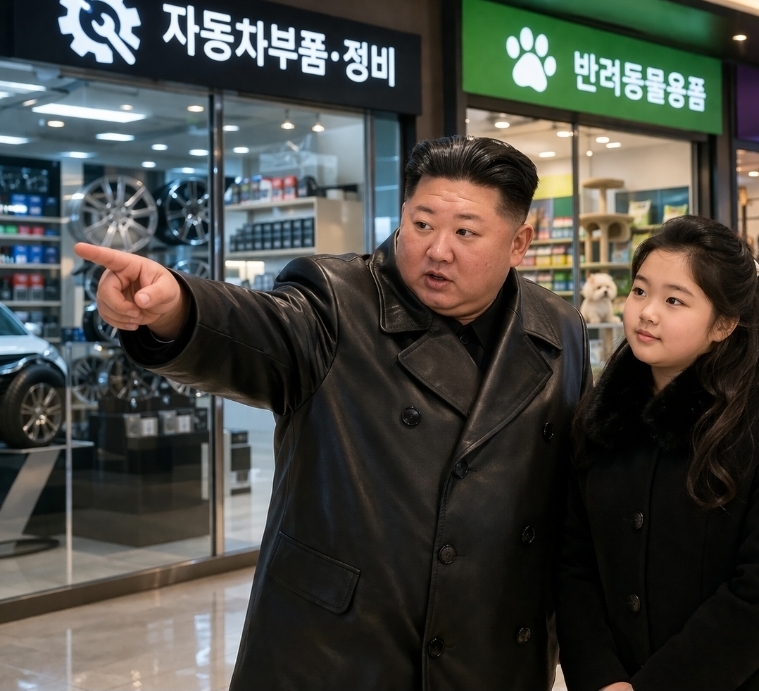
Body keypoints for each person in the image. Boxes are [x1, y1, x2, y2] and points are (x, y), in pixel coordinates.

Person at [75, 136, 591, 690]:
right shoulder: (334, 300)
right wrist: (175, 306)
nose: (438, 250)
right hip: (341, 649)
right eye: (421, 224)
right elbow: (253, 327)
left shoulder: (559, 328)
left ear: (519, 244)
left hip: (494, 652)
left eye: (466, 232)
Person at [556, 216, 759, 691]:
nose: (647, 312)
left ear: (725, 323)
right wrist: (601, 676)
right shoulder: (600, 415)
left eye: (674, 300)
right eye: (640, 291)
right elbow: (573, 562)